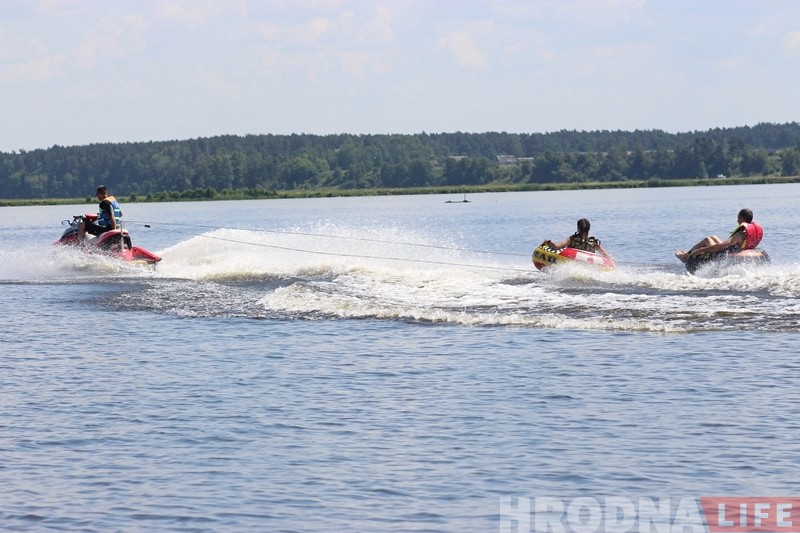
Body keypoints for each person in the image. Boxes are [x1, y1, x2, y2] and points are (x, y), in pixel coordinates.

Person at [674, 208, 763, 263]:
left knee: (707, 240)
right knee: (713, 237)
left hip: (726, 254)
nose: (737, 221)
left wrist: (700, 250)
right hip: (735, 249)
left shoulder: (740, 234)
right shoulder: (750, 231)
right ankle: (686, 254)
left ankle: (685, 256)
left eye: (738, 218)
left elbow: (720, 246)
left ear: (742, 219)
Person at [546, 218, 612, 258]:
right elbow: (606, 255)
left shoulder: (572, 239)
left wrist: (548, 242)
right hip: (587, 266)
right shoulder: (593, 242)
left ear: (578, 229)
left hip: (571, 262)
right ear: (589, 229)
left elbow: (556, 246)